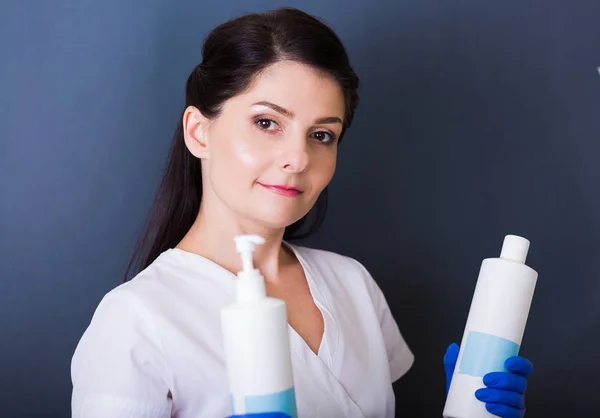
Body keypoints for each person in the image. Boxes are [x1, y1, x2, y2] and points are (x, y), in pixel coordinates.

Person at [70, 7, 533, 418]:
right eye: (267, 122)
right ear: (199, 132)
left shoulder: (352, 284)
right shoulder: (137, 319)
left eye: (322, 135)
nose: (298, 158)